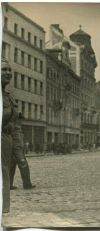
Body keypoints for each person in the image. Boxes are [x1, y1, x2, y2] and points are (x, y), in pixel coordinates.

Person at [1, 58, 25, 212]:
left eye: (10, 70)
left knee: (4, 174)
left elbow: (15, 125)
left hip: (6, 141)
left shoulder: (8, 97)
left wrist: (19, 151)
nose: (8, 73)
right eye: (4, 69)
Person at [10, 113, 36, 190]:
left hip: (17, 151)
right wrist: (20, 155)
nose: (21, 121)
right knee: (24, 167)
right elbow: (16, 143)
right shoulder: (14, 129)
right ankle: (27, 184)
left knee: (11, 169)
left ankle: (9, 185)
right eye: (20, 119)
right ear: (17, 120)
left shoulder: (17, 128)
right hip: (17, 151)